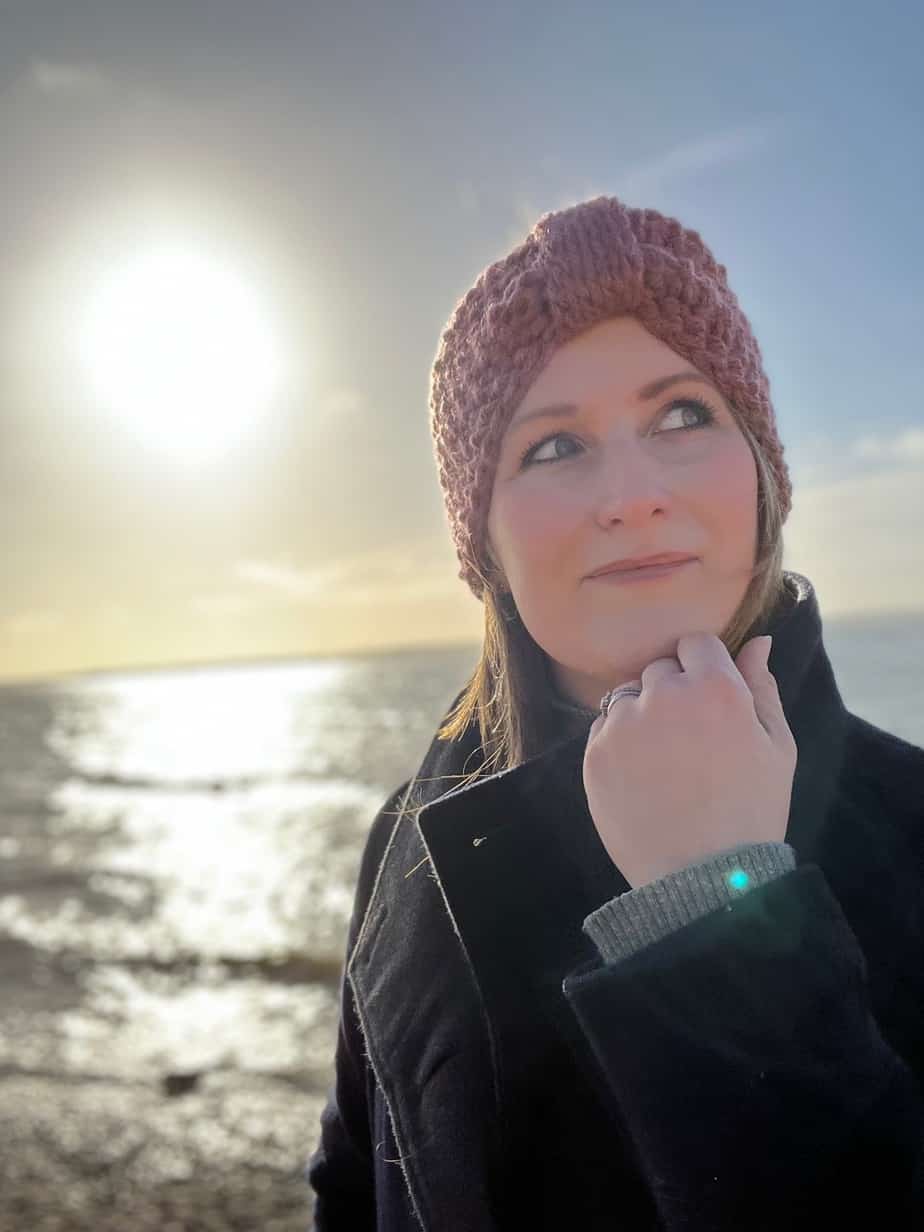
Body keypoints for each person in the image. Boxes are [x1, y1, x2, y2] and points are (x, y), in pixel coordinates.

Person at [307, 195, 924, 1230]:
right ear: (483, 539)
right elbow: (352, 1174)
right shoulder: (411, 833)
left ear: (762, 474)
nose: (633, 493)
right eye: (552, 446)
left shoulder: (911, 828)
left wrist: (712, 908)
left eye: (684, 413)